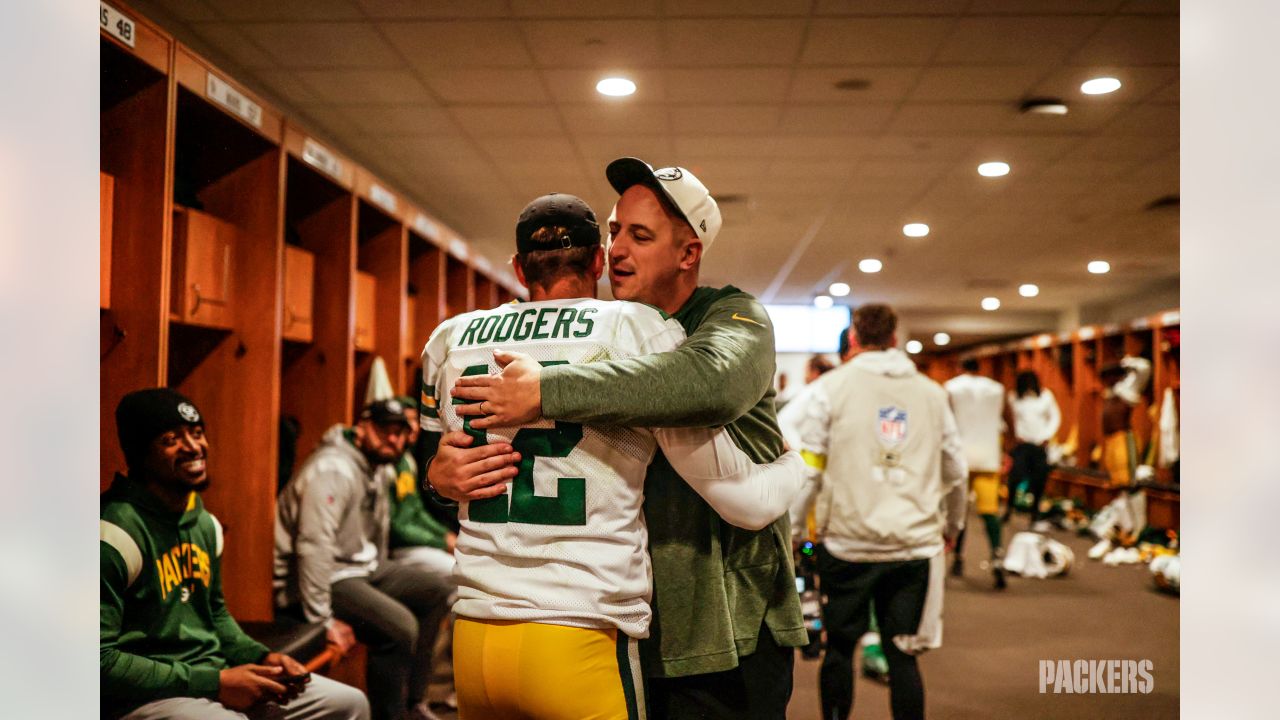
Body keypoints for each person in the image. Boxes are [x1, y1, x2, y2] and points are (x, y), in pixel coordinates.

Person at [432, 160, 809, 719]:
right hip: (616, 625)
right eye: (613, 233)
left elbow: (705, 384)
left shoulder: (731, 314)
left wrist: (549, 390)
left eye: (640, 235)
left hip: (724, 626)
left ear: (688, 254)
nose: (618, 250)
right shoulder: (613, 330)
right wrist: (439, 481)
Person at [102, 388, 369, 720]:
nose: (194, 447)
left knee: (349, 703)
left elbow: (214, 616)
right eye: (171, 439)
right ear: (140, 454)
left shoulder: (204, 524)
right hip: (144, 696)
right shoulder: (113, 534)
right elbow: (100, 661)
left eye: (197, 433)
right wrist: (214, 682)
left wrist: (260, 657)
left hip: (210, 676)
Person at [797, 304, 968, 720]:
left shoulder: (830, 389)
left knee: (839, 649)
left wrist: (795, 530)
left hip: (847, 543)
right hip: (914, 544)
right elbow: (956, 471)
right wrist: (953, 525)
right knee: (903, 655)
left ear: (853, 338)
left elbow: (808, 469)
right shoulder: (932, 393)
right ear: (894, 339)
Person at [274, 398, 452, 720]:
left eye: (401, 433)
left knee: (436, 591)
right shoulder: (332, 469)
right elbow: (313, 548)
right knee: (400, 627)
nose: (393, 440)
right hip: (325, 577)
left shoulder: (377, 468)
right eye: (385, 431)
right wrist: (321, 621)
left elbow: (374, 537)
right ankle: (390, 715)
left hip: (361, 568)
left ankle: (415, 703)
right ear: (362, 427)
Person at [944, 357, 1008, 588]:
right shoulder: (996, 389)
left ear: (961, 368)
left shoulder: (951, 387)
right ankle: (997, 558)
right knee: (990, 512)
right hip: (989, 455)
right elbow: (1003, 421)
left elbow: (946, 422)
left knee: (959, 511)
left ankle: (958, 557)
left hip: (960, 456)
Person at [1005, 370, 1062, 532]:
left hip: (1039, 445)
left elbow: (1055, 417)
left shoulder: (1045, 397)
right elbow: (1007, 419)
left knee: (1039, 480)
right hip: (1021, 445)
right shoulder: (1013, 398)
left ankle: (1034, 513)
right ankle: (1009, 509)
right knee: (1014, 478)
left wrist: (1047, 435)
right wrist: (1015, 436)